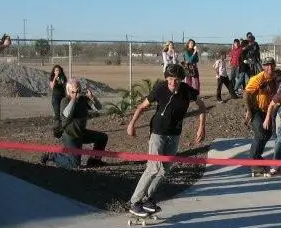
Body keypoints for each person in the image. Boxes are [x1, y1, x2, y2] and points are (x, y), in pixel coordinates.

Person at [125, 63, 206, 217]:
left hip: (174, 134)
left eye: (175, 80)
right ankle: (135, 202)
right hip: (157, 132)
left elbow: (202, 106)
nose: (172, 83)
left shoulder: (187, 91)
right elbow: (142, 106)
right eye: (169, 79)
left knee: (165, 169)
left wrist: (201, 127)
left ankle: (148, 199)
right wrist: (132, 124)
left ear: (181, 80)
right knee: (153, 168)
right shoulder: (160, 89)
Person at [49, 79, 108, 169]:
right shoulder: (65, 101)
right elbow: (66, 114)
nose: (77, 93)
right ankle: (54, 156)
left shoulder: (83, 100)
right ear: (68, 91)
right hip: (70, 135)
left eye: (78, 90)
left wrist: (92, 98)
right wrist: (73, 99)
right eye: (74, 91)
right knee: (74, 164)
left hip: (81, 133)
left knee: (102, 137)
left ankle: (94, 160)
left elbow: (99, 108)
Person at [244, 58, 281, 177]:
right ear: (263, 67)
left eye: (271, 65)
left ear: (274, 66)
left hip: (267, 110)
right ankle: (254, 163)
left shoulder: (275, 78)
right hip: (256, 110)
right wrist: (249, 111)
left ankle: (258, 155)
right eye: (266, 65)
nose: (269, 68)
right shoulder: (257, 78)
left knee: (269, 133)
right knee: (260, 134)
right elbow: (246, 94)